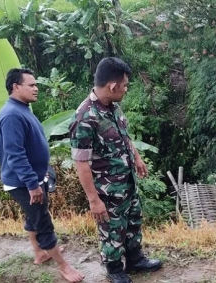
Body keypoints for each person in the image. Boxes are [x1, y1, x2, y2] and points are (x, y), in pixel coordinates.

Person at [69, 57, 162, 283]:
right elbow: (81, 163)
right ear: (113, 86)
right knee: (112, 231)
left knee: (132, 223)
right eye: (125, 85)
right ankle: (114, 269)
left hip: (127, 183)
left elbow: (124, 136)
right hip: (107, 191)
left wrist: (137, 158)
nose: (126, 89)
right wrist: (93, 199)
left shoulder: (113, 107)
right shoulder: (85, 118)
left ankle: (135, 259)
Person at [0, 68, 84, 283]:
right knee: (42, 220)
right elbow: (15, 155)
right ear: (16, 87)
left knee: (34, 214)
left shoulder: (22, 108)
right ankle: (64, 267)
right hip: (24, 182)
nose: (36, 88)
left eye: (36, 84)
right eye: (31, 85)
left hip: (33, 178)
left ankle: (39, 253)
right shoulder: (12, 115)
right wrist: (32, 184)